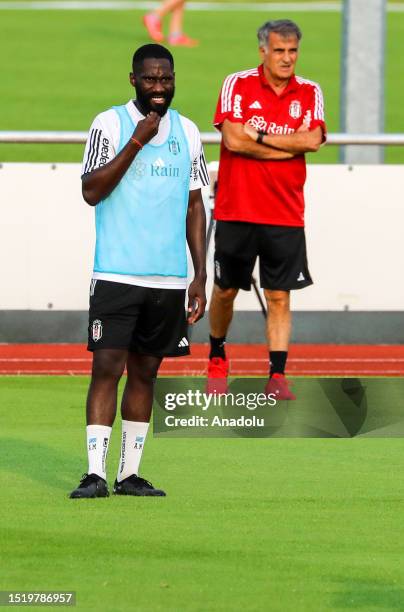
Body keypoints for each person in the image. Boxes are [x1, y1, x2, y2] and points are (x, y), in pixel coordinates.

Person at [70, 44, 208, 499]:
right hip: (116, 272)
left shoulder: (188, 131)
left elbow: (194, 205)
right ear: (133, 79)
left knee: (146, 374)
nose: (159, 88)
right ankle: (94, 473)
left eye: (166, 79)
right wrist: (137, 141)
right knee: (107, 368)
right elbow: (91, 190)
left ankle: (129, 474)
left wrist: (199, 274)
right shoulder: (109, 124)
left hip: (167, 278)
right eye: (150, 79)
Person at [207, 19, 326, 400]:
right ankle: (217, 356)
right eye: (279, 51)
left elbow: (313, 140)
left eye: (292, 51)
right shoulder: (237, 84)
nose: (287, 58)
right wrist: (286, 146)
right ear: (263, 51)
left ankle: (277, 374)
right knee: (225, 291)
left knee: (280, 296)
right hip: (237, 208)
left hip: (285, 212)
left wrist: (257, 135)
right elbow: (232, 140)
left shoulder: (309, 91)